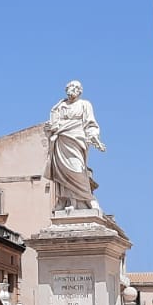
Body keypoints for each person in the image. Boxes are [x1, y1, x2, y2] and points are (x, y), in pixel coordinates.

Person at [45, 80, 108, 211]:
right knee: (62, 172)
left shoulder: (85, 104)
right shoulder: (60, 106)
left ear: (80, 90)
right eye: (69, 87)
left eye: (74, 87)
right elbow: (52, 124)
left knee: (77, 169)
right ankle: (69, 201)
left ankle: (88, 198)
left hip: (76, 140)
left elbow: (91, 124)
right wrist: (49, 128)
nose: (71, 89)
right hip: (61, 141)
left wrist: (94, 137)